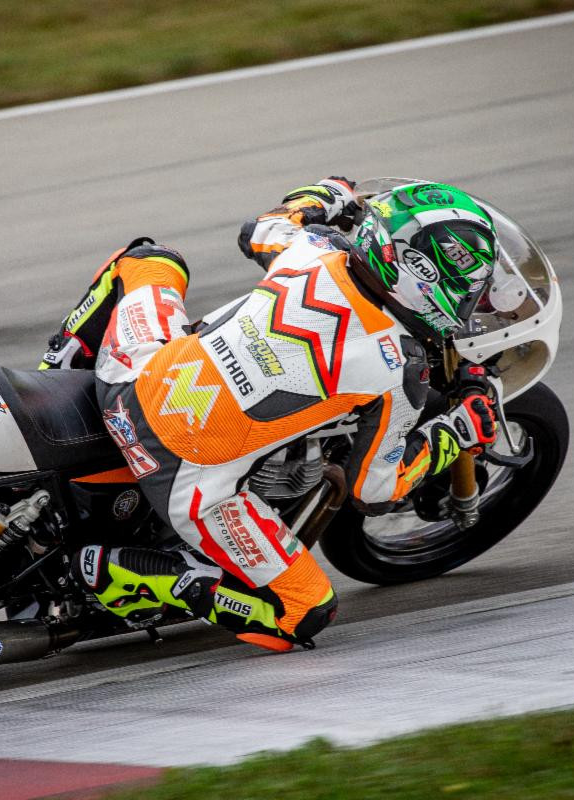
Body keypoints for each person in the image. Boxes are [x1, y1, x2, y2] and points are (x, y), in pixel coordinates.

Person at [39, 177, 500, 652]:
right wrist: (458, 428)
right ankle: (138, 573)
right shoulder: (401, 368)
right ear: (429, 280)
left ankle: (53, 378)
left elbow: (257, 229)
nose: (471, 303)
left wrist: (325, 194)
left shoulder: (314, 245)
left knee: (148, 261)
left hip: (132, 372)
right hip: (188, 482)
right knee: (306, 611)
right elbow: (375, 489)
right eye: (469, 291)